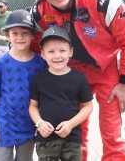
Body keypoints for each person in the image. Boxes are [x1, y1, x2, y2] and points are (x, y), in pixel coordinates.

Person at [0, 0, 125, 161]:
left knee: (111, 131)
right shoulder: (39, 11)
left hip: (106, 70)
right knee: (75, 131)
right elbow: (26, 46)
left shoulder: (104, 1)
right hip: (68, 73)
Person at [0, 10, 47, 161]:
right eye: (15, 33)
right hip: (3, 126)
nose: (20, 37)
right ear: (7, 35)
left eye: (25, 33)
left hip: (29, 125)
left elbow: (44, 96)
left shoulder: (41, 64)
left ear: (33, 35)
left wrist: (40, 122)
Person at [29, 26, 93, 161]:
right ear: (43, 54)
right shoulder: (38, 78)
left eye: (62, 51)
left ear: (70, 52)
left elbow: (88, 106)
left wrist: (71, 124)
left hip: (72, 138)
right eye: (51, 51)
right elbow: (33, 106)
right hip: (46, 138)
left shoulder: (79, 78)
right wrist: (39, 123)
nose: (57, 56)